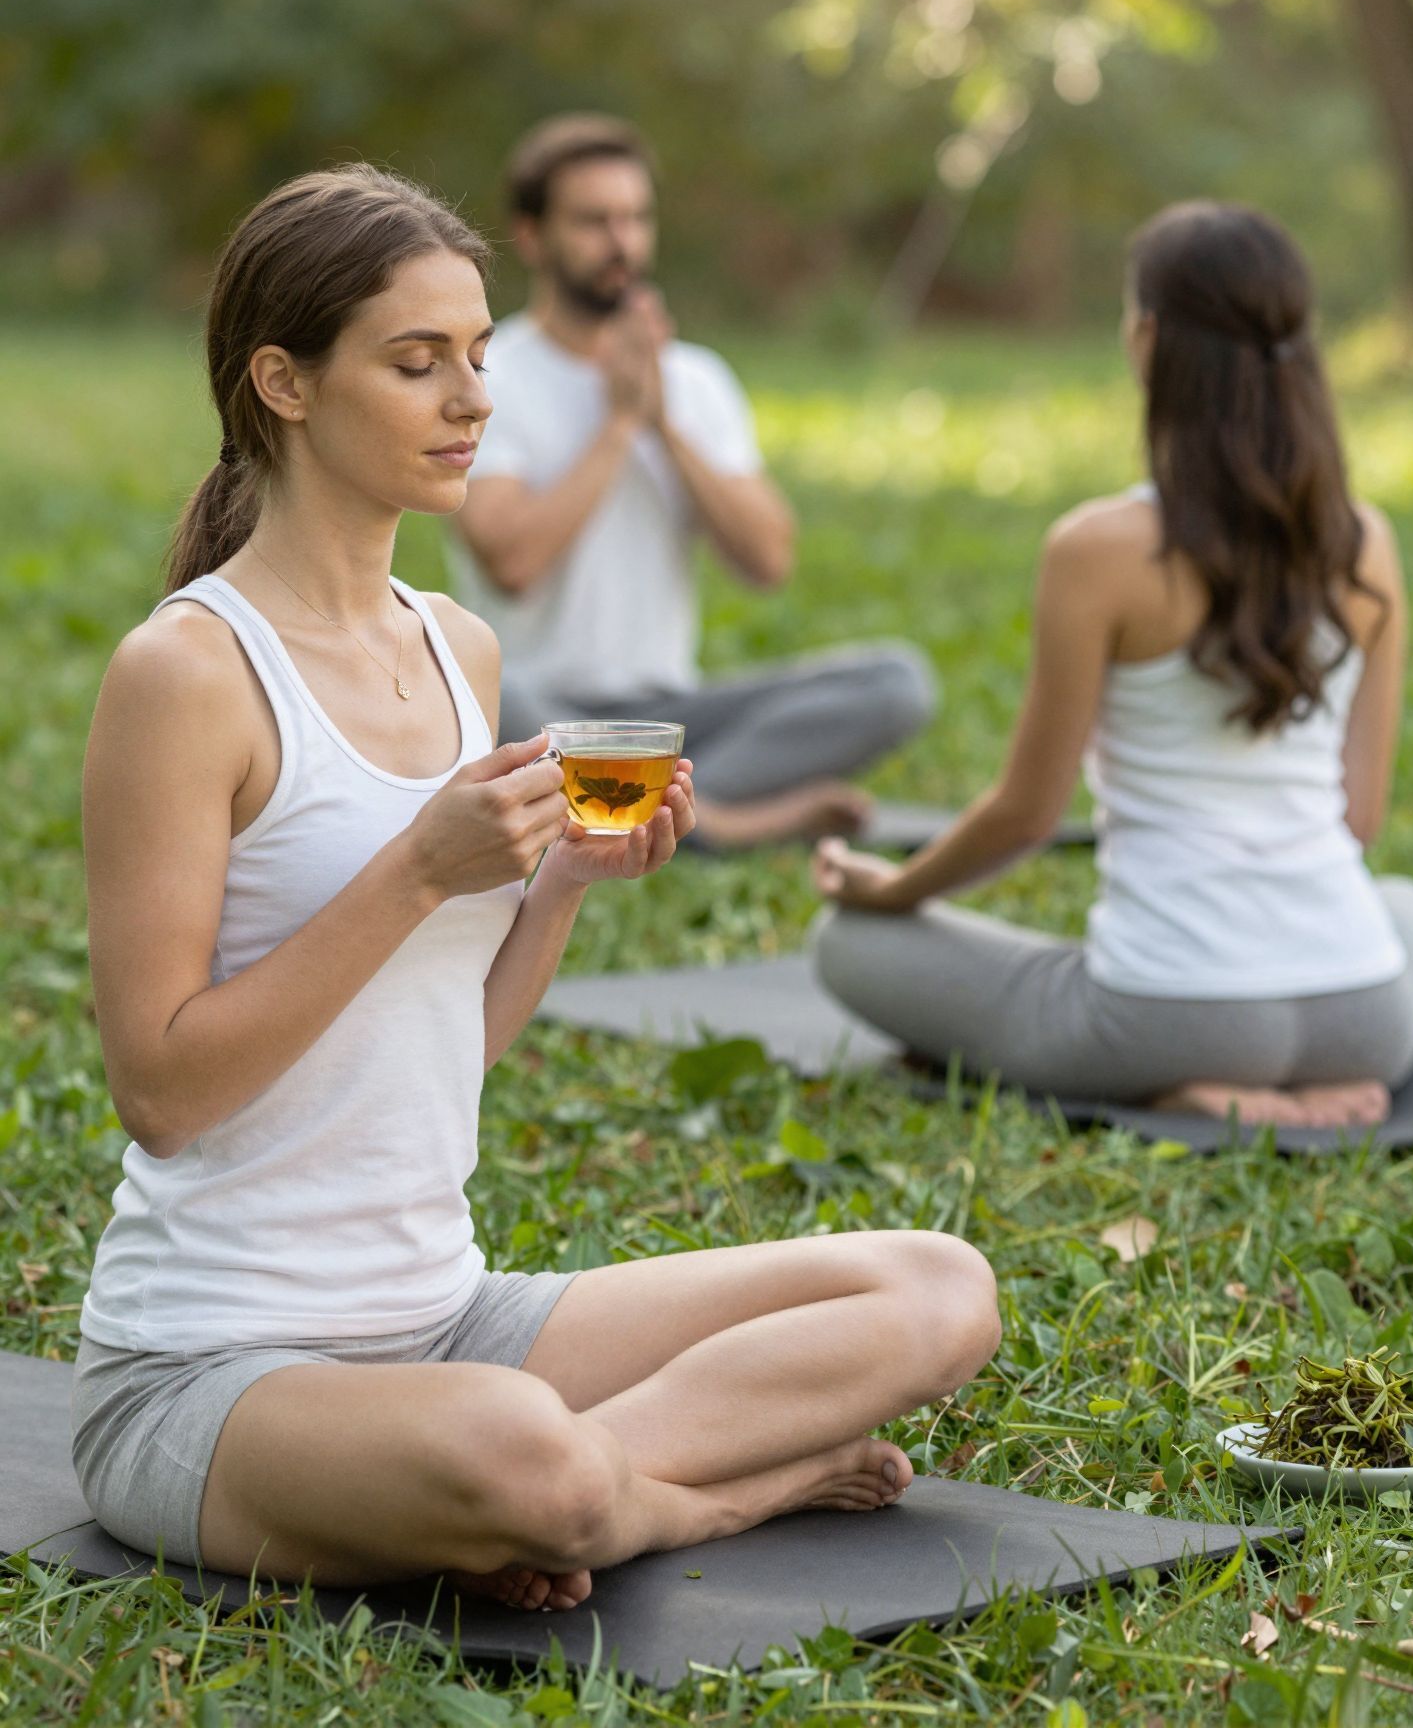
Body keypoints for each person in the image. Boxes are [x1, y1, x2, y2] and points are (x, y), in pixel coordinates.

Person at [70, 164, 999, 1613]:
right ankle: (709, 1487)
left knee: (939, 1288)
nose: (473, 399)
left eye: (481, 355)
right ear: (285, 382)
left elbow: (450, 1051)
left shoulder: (461, 651)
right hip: (214, 1370)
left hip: (450, 1321)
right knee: (529, 1458)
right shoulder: (187, 675)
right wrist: (414, 871)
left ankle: (569, 1500)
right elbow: (163, 1094)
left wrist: (556, 881)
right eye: (416, 361)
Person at [813, 202, 1413, 1131]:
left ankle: (1193, 1094)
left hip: (1167, 1018)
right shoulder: (1366, 542)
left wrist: (892, 887)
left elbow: (1028, 814)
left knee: (848, 943)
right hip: (1365, 1017)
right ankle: (1285, 1085)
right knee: (1408, 908)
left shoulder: (1098, 550)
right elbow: (1363, 816)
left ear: (1147, 338)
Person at [450, 114, 937, 850]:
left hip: (667, 718)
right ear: (532, 235)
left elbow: (768, 561)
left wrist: (663, 424)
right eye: (594, 221)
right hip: (540, 711)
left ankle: (669, 808)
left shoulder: (694, 380)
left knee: (896, 682)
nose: (623, 242)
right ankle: (703, 821)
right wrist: (615, 426)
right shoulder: (490, 375)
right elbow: (512, 564)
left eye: (636, 218)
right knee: (483, 693)